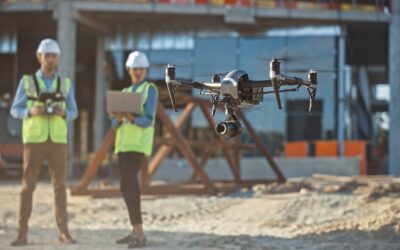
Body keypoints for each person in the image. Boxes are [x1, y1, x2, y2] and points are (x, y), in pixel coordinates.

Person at [9, 38, 78, 246]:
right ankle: (22, 233)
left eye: (53, 56)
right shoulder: (27, 82)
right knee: (27, 187)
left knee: (60, 187)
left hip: (57, 141)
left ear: (57, 59)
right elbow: (15, 109)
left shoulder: (65, 84)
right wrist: (31, 111)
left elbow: (73, 111)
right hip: (35, 141)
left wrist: (62, 112)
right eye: (46, 55)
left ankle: (63, 231)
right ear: (39, 57)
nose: (50, 59)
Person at [111, 51, 158, 248]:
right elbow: (114, 124)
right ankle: (136, 231)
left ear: (145, 70)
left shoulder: (150, 89)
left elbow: (148, 119)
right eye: (134, 68)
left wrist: (131, 118)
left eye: (141, 69)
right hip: (123, 145)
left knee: (127, 185)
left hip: (138, 145)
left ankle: (139, 233)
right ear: (128, 70)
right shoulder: (126, 91)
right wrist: (117, 116)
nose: (138, 72)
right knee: (129, 187)